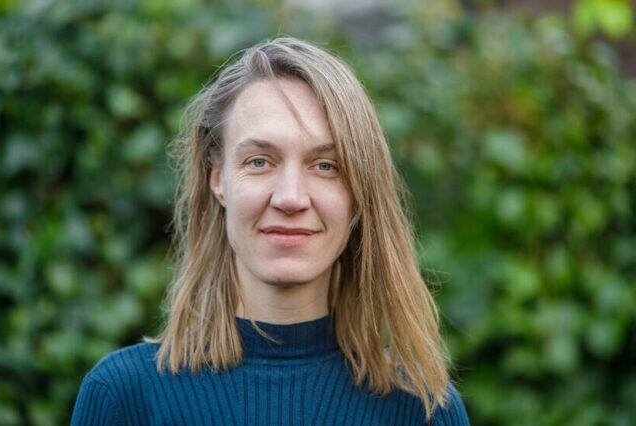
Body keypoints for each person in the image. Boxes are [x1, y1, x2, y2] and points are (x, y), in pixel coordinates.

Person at [71, 36, 470, 425]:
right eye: (259, 161)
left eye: (326, 166)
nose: (290, 198)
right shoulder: (122, 398)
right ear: (217, 179)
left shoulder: (423, 410)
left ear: (359, 193)